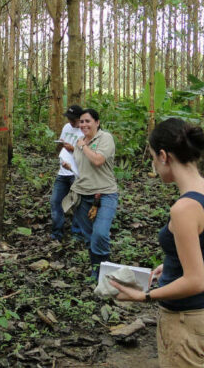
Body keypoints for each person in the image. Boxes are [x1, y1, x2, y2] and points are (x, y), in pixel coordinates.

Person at [111, 118, 204, 368]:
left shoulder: (184, 208)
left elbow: (196, 280)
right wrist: (174, 266)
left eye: (152, 157)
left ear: (163, 155)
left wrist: (144, 296)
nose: (153, 165)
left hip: (187, 319)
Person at [70, 108, 119, 279]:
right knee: (90, 236)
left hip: (105, 193)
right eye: (81, 122)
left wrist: (83, 147)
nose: (83, 125)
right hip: (82, 195)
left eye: (87, 121)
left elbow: (98, 160)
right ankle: (96, 270)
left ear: (97, 122)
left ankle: (105, 272)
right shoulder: (79, 141)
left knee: (100, 234)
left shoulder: (105, 138)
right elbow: (82, 167)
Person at [50, 104, 84, 241]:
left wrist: (73, 149)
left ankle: (77, 233)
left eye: (73, 119)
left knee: (77, 203)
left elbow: (89, 155)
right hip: (63, 172)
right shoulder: (66, 127)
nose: (70, 122)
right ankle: (57, 232)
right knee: (55, 202)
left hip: (76, 172)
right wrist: (61, 145)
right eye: (69, 118)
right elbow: (62, 143)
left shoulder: (84, 131)